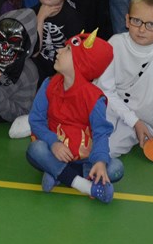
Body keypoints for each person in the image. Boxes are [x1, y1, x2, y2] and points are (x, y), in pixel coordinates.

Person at [26, 30, 121, 203]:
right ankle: (83, 184)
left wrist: (100, 161)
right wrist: (53, 143)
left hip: (84, 158)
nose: (59, 50)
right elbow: (36, 120)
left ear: (81, 62)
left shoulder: (94, 98)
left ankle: (58, 173)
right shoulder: (49, 85)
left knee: (116, 168)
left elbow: (101, 133)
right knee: (36, 149)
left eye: (67, 49)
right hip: (54, 152)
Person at [97, 0, 153, 157]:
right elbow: (104, 91)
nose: (142, 29)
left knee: (108, 149)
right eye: (136, 21)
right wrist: (132, 120)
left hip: (143, 121)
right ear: (127, 20)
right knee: (84, 139)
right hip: (110, 108)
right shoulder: (115, 43)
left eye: (151, 25)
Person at [31, 0, 83, 80]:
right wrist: (40, 18)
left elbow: (77, 57)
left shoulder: (72, 17)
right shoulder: (31, 13)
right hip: (36, 71)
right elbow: (33, 53)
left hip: (64, 73)